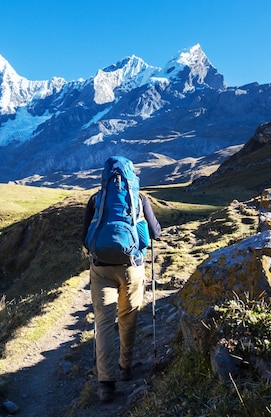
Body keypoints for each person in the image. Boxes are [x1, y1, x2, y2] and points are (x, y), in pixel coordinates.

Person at [82, 157, 161, 403]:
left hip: (101, 269)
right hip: (132, 268)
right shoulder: (139, 199)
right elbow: (155, 233)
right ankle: (125, 367)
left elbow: (85, 238)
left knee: (104, 323)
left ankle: (106, 384)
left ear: (104, 178)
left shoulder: (96, 200)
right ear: (131, 178)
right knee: (128, 318)